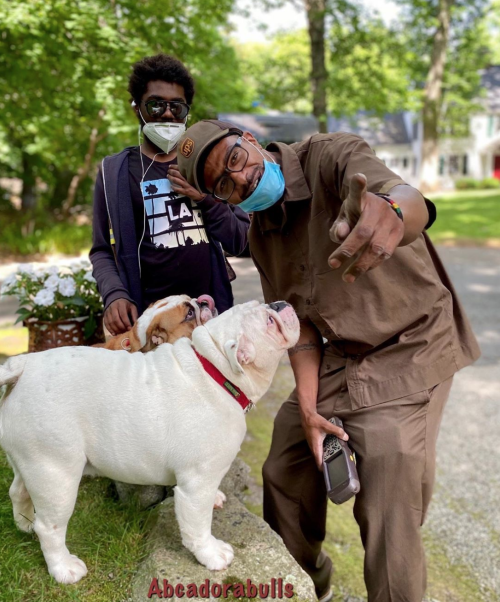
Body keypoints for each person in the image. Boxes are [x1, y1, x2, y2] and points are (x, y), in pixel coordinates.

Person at [175, 119, 481, 602]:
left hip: (408, 348)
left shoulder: (332, 157)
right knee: (283, 467)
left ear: (248, 140)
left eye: (235, 159)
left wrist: (394, 211)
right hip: (337, 353)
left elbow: (405, 199)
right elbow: (298, 330)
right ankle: (303, 586)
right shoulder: (261, 234)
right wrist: (312, 410)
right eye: (224, 186)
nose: (241, 179)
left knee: (386, 493)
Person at [90, 56, 249, 335]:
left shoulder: (208, 165)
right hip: (149, 325)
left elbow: (242, 241)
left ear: (186, 111)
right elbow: (102, 249)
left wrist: (205, 199)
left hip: (209, 317)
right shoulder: (114, 171)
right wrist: (114, 294)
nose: (166, 114)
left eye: (176, 107)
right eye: (155, 105)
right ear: (137, 109)